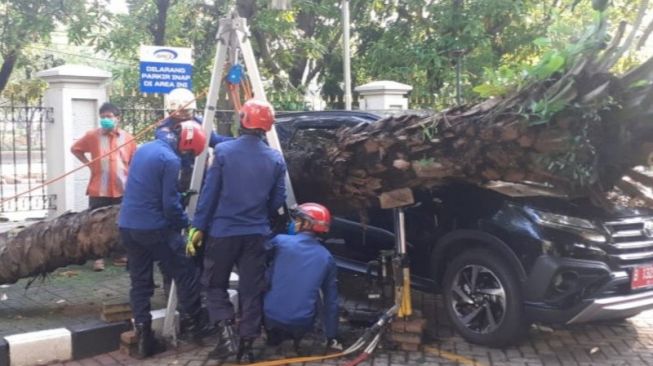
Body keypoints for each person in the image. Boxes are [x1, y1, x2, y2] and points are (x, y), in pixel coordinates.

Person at [188, 99, 286, 362]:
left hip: (223, 232)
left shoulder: (224, 152)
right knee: (251, 290)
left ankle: (226, 333)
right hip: (256, 234)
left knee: (214, 284)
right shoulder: (275, 159)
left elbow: (209, 194)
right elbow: (277, 202)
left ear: (243, 120)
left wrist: (197, 226)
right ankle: (246, 346)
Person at [117, 121, 213, 359]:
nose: (188, 157)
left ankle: (144, 339)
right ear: (186, 145)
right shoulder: (170, 160)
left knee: (140, 283)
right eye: (190, 152)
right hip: (154, 228)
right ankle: (195, 327)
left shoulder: (145, 148)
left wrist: (179, 197)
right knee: (186, 272)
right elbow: (169, 206)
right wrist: (187, 224)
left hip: (127, 225)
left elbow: (147, 188)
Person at [264, 203, 341, 353]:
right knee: (321, 292)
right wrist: (331, 335)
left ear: (307, 224)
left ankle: (271, 336)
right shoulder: (327, 258)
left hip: (269, 316)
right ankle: (296, 338)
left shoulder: (280, 241)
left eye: (298, 219)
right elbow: (331, 302)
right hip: (302, 322)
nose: (294, 223)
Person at [71, 102, 136, 271]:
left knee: (120, 222)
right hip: (99, 188)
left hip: (122, 188)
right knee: (95, 223)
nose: (105, 120)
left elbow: (134, 161)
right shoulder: (93, 136)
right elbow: (75, 149)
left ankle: (119, 254)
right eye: (103, 117)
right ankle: (97, 258)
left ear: (117, 118)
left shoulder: (127, 138)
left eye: (109, 117)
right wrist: (89, 164)